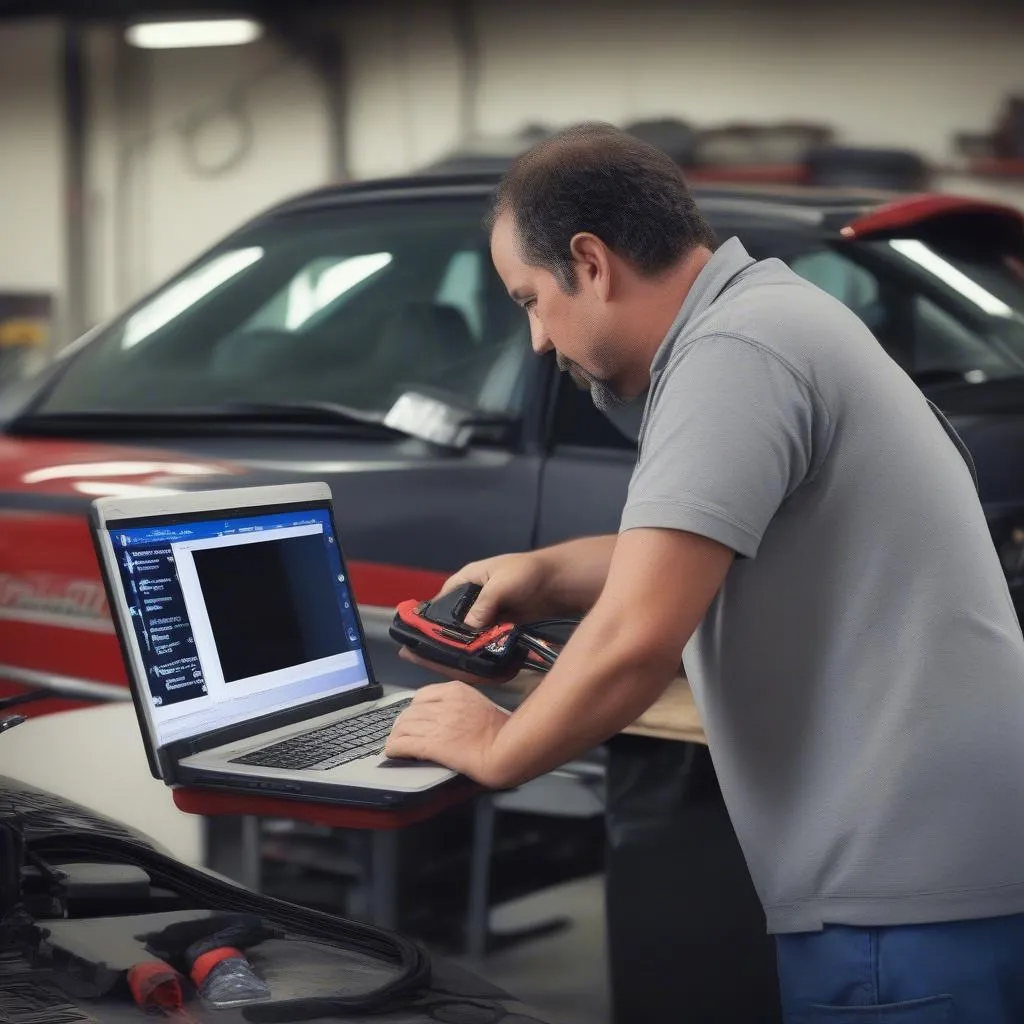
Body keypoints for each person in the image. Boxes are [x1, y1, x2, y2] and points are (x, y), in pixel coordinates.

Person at [384, 122, 1024, 1022]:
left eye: (530, 300)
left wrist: (497, 748)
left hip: (903, 900)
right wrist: (545, 571)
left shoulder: (732, 354)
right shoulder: (768, 315)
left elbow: (638, 637)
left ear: (591, 263)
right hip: (945, 873)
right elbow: (720, 543)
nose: (534, 339)